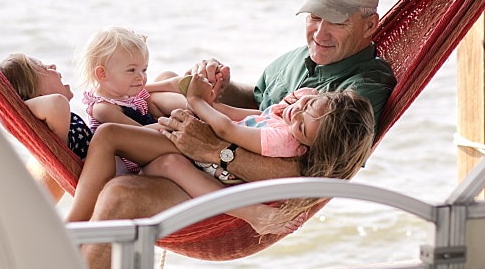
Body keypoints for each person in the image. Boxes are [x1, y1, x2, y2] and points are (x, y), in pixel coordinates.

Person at [81, 0, 397, 269]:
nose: (319, 33)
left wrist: (216, 149)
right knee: (160, 85)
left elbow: (312, 173)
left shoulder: (361, 93)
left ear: (369, 25)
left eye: (336, 21)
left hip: (235, 188)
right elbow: (260, 107)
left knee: (121, 194)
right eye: (314, 17)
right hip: (221, 150)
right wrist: (219, 85)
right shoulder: (300, 58)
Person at [65, 73, 374, 236]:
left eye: (302, 126)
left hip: (204, 156)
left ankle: (73, 226)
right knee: (167, 160)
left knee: (108, 135)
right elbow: (237, 115)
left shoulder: (283, 140)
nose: (296, 113)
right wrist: (206, 100)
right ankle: (138, 111)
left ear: (305, 144)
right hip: (195, 153)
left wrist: (198, 101)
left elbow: (226, 129)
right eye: (307, 105)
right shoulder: (290, 116)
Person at [77, 26, 177, 173]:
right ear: (103, 74)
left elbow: (153, 101)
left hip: (148, 133)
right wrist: (172, 124)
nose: (141, 77)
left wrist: (171, 85)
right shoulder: (103, 108)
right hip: (135, 159)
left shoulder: (122, 91)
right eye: (131, 70)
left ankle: (195, 107)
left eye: (144, 70)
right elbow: (139, 134)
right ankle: (197, 111)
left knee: (166, 76)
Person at [0, 53, 93, 201]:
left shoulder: (60, 123)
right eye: (44, 68)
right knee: (107, 133)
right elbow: (57, 103)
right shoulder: (57, 128)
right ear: (39, 95)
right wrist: (15, 109)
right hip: (104, 176)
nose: (53, 66)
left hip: (109, 166)